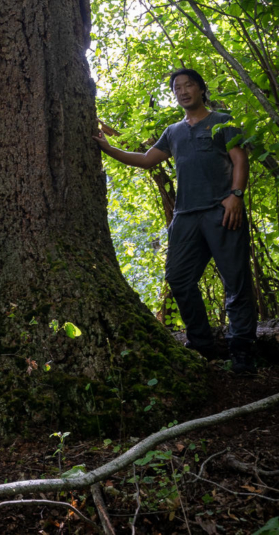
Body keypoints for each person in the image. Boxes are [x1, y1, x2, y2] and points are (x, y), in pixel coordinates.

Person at [93, 68, 256, 374]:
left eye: (188, 85)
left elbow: (239, 159)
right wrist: (107, 148)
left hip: (222, 213)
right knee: (179, 278)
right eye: (177, 88)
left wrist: (236, 195)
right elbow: (145, 160)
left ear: (201, 88)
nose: (183, 91)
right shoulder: (173, 131)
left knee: (236, 282)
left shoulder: (222, 121)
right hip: (185, 218)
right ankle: (202, 345)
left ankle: (242, 350)